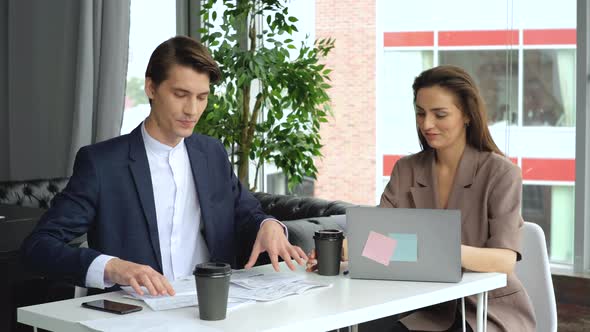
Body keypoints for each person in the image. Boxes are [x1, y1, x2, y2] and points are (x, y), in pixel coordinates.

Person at [22, 36, 307, 297]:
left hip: (216, 307)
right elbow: (39, 246)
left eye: (202, 97)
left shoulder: (212, 154)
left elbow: (247, 213)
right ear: (151, 88)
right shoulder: (102, 164)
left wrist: (268, 225)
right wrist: (113, 267)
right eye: (180, 95)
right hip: (137, 315)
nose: (192, 110)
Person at [307, 65, 536, 332]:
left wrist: (429, 248)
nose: (427, 124)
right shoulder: (407, 170)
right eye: (420, 113)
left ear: (467, 115)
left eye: (440, 114)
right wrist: (347, 251)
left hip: (485, 311)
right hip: (422, 307)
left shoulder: (501, 173)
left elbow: (503, 260)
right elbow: (379, 240)